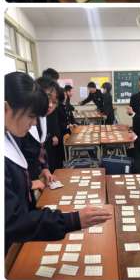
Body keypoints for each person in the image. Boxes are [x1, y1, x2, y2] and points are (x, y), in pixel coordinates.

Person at [5, 71, 112, 254]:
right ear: (6, 108)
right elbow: (13, 221)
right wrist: (72, 220)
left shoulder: (10, 134)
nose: (34, 123)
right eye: (30, 116)